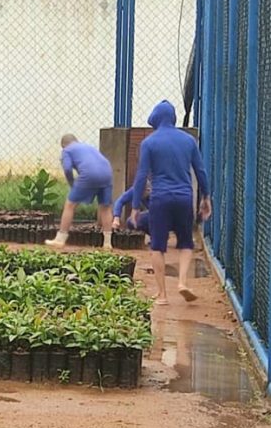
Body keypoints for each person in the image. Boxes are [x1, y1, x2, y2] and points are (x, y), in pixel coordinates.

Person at [130, 100, 211, 305]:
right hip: (185, 198)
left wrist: (134, 207)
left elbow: (141, 176)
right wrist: (206, 197)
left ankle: (163, 295)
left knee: (158, 246)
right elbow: (200, 171)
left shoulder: (149, 142)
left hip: (160, 199)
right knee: (185, 243)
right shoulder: (188, 141)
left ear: (155, 120)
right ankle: (183, 282)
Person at [45, 134, 114, 249]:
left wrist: (72, 184)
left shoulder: (67, 150)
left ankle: (60, 238)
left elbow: (67, 169)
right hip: (107, 173)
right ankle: (107, 243)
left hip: (89, 174)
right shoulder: (87, 147)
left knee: (70, 205)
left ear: (63, 145)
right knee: (105, 207)